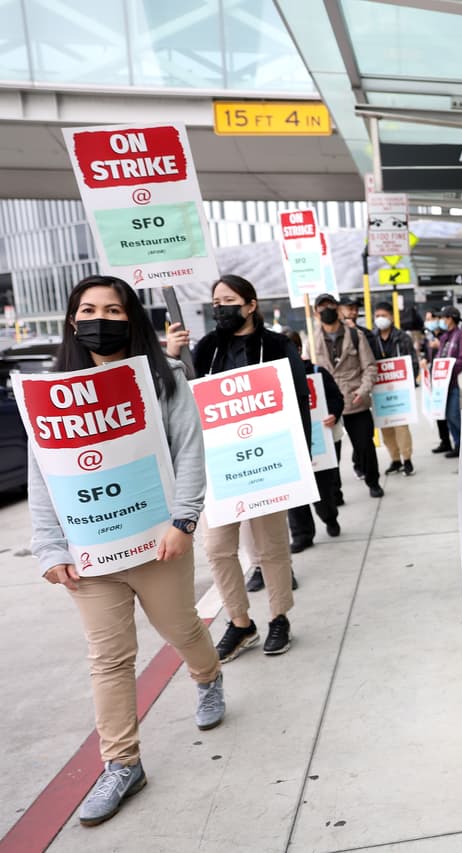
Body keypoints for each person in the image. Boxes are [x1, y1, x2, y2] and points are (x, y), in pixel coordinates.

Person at [31, 276, 223, 825]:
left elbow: (190, 451)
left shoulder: (164, 379)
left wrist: (184, 521)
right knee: (108, 658)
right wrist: (49, 546)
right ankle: (121, 764)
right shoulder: (51, 393)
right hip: (89, 550)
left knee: (182, 628)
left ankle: (208, 677)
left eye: (113, 309)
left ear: (131, 318)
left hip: (158, 542)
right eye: (88, 309)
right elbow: (43, 476)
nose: (100, 318)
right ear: (72, 320)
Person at [167, 274, 307, 658]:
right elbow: (179, 398)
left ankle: (280, 617)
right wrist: (171, 355)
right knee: (217, 547)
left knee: (272, 547)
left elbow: (298, 399)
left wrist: (301, 455)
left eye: (228, 300)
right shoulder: (207, 347)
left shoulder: (277, 345)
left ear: (250, 304)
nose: (220, 308)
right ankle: (241, 623)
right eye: (215, 303)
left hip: (268, 463)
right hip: (220, 466)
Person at [280, 329, 344, 559]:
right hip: (290, 446)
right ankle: (301, 535)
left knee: (322, 491)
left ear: (298, 350)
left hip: (318, 444)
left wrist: (334, 414)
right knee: (296, 495)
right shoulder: (272, 378)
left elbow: (337, 398)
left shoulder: (317, 372)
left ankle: (330, 517)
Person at [313, 292, 383, 497]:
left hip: (355, 400)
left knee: (365, 446)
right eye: (322, 307)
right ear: (316, 313)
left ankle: (373, 482)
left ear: (338, 309)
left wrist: (363, 391)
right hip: (328, 404)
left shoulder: (355, 335)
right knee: (331, 452)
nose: (327, 311)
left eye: (331, 306)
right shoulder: (313, 340)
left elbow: (370, 366)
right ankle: (335, 493)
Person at [371, 301, 419, 476]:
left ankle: (407, 460)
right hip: (380, 391)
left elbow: (413, 361)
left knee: (401, 426)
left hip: (400, 390)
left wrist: (410, 382)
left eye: (383, 316)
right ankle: (395, 460)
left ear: (391, 316)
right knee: (386, 427)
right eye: (377, 316)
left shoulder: (402, 337)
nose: (380, 319)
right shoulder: (372, 338)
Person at [435, 305, 462, 459]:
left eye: (443, 317)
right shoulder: (444, 337)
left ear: (450, 319)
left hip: (456, 382)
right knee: (448, 416)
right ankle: (458, 445)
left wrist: (447, 367)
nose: (442, 321)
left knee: (454, 415)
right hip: (443, 384)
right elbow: (439, 357)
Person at [420, 312, 454, 455]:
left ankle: (457, 442)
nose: (428, 322)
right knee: (438, 411)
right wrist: (424, 360)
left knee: (450, 413)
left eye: (431, 319)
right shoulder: (428, 336)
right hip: (433, 378)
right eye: (426, 319)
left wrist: (439, 346)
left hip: (445, 379)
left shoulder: (445, 336)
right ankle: (444, 441)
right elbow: (424, 352)